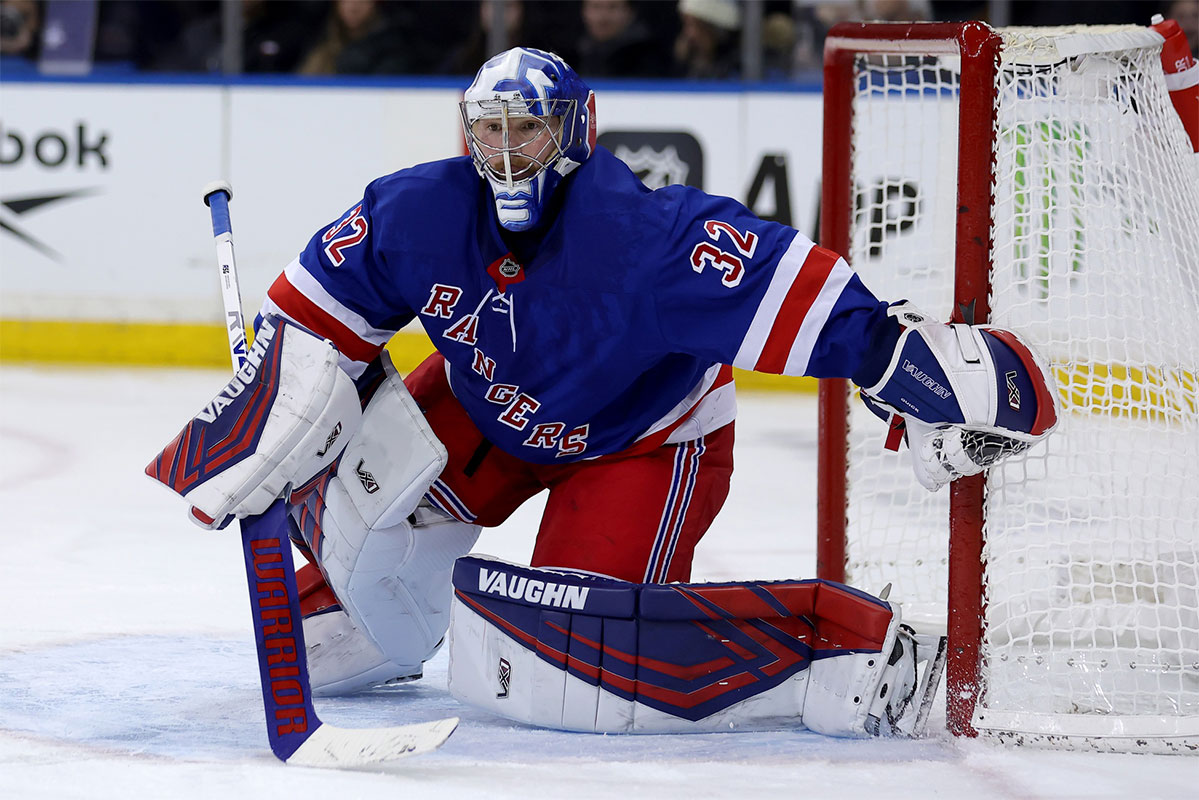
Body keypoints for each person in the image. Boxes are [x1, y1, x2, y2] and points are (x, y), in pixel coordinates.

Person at [149, 48, 1057, 737]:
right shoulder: (415, 212)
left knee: (567, 670)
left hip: (640, 445)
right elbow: (312, 330)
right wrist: (262, 432)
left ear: (574, 129)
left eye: (527, 128)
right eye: (489, 128)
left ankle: (840, 650)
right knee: (340, 606)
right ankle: (386, 623)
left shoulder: (648, 243)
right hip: (485, 413)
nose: (504, 151)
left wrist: (893, 354)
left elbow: (786, 284)